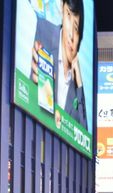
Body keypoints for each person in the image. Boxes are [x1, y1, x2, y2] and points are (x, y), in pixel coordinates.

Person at [29, 0, 88, 129]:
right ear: (62, 9)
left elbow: (85, 135)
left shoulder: (76, 83)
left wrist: (80, 85)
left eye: (76, 28)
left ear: (80, 37)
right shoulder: (44, 31)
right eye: (68, 15)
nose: (71, 34)